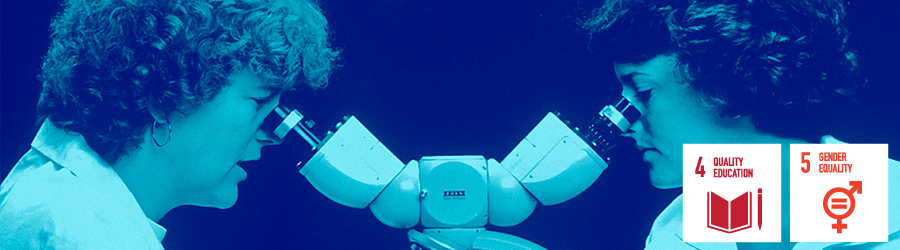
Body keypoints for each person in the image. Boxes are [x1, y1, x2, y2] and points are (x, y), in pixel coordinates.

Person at [0, 0, 339, 248]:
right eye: (259, 101)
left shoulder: (67, 201)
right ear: (165, 95)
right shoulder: (80, 232)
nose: (273, 136)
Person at [582, 0, 899, 249]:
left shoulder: (892, 207)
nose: (623, 124)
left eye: (643, 92)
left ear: (728, 84)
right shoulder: (674, 232)